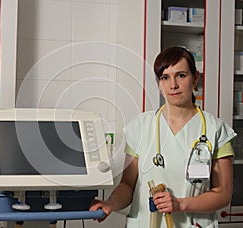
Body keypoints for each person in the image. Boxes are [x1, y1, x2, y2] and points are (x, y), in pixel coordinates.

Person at [90, 46, 236, 227]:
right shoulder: (141, 127)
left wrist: (180, 204)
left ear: (195, 78)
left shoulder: (216, 130)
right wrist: (109, 204)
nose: (173, 85)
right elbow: (127, 185)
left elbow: (223, 194)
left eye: (181, 75)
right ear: (159, 83)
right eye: (165, 77)